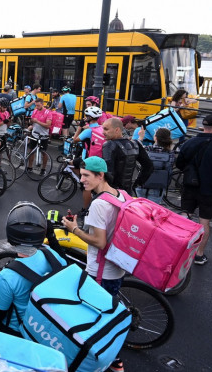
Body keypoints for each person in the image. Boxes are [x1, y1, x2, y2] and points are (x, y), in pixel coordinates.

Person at [61, 156, 125, 372]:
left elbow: (99, 241)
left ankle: (113, 361)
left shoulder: (99, 204)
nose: (82, 180)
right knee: (108, 311)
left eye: (87, 176)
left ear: (101, 175)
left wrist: (74, 229)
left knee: (97, 320)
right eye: (81, 176)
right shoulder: (120, 195)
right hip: (116, 267)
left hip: (100, 271)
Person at [0, 201, 67, 336]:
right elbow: (65, 265)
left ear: (11, 234)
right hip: (47, 326)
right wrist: (51, 237)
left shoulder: (8, 276)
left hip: (18, 330)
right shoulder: (52, 254)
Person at [176, 114, 212, 266]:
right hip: (209, 188)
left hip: (189, 185)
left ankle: (179, 250)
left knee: (185, 216)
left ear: (203, 126)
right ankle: (199, 255)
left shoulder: (190, 142)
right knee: (204, 222)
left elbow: (179, 163)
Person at [101, 117, 153, 193]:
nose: (103, 132)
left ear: (117, 130)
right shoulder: (135, 144)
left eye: (106, 129)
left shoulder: (109, 145)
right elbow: (149, 166)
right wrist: (136, 184)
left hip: (112, 192)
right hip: (128, 192)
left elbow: (108, 172)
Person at [135, 127, 175, 204]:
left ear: (155, 137)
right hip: (158, 186)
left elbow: (136, 148)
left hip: (142, 184)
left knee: (140, 211)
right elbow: (169, 168)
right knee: (152, 211)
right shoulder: (170, 153)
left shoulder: (147, 149)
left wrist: (140, 137)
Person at [26, 98, 52, 176]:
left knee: (43, 153)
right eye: (36, 105)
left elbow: (48, 125)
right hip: (34, 134)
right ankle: (30, 167)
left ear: (42, 104)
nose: (37, 107)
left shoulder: (48, 113)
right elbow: (31, 121)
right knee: (31, 151)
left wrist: (37, 121)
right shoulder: (35, 111)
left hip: (43, 136)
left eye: (38, 105)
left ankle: (43, 169)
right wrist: (31, 122)